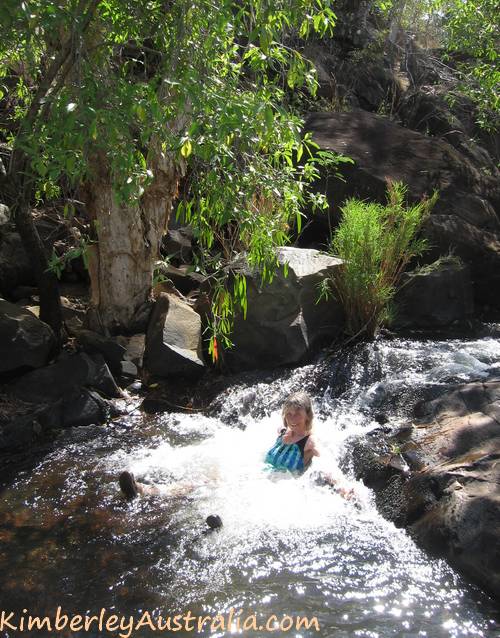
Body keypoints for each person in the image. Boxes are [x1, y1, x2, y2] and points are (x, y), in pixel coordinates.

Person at [265, 391, 319, 472]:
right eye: (289, 413)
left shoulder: (310, 442)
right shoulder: (282, 431)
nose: (292, 419)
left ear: (308, 415)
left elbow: (326, 463)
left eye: (298, 414)